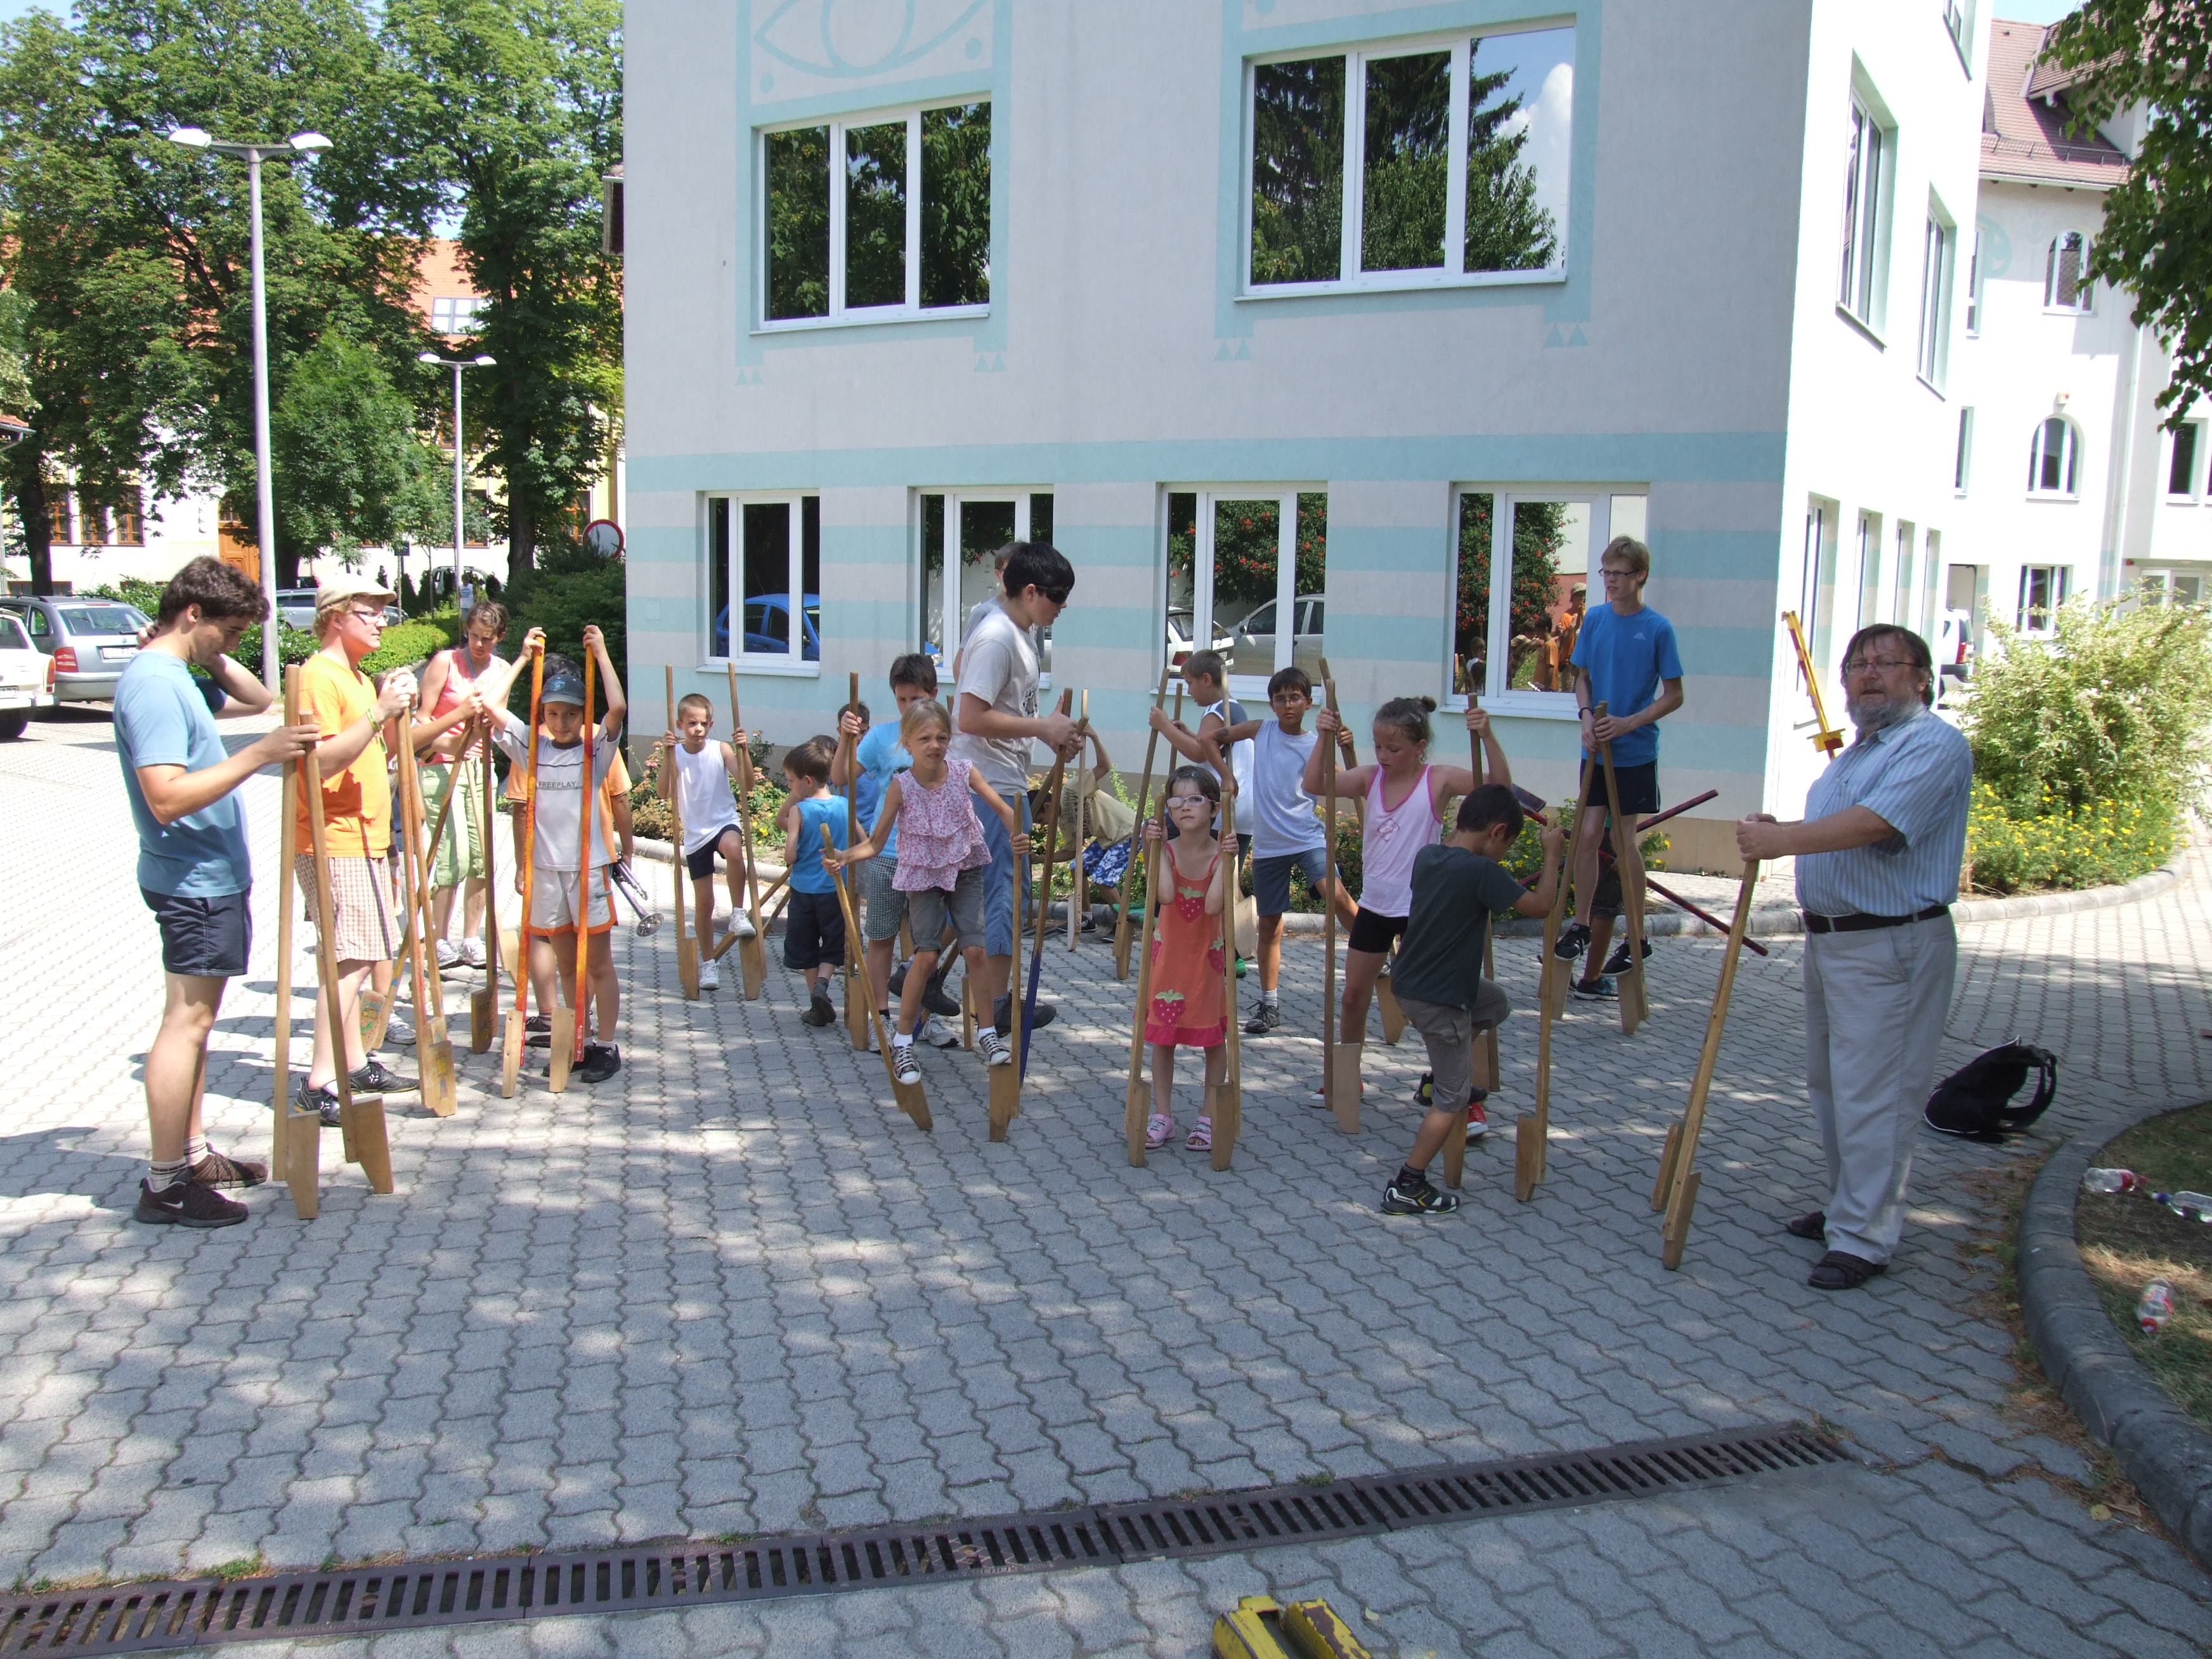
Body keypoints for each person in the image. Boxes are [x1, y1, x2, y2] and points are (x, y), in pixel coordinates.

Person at [1736, 624, 1970, 1291]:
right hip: (1835, 942)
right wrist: (1782, 833)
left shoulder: (1933, 745)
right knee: (1834, 1086)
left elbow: (1877, 825)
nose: (1868, 674)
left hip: (1890, 942)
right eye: (1857, 665)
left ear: (1920, 678)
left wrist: (1782, 842)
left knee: (1878, 1094)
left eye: (1885, 663)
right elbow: (1838, 827)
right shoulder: (1861, 750)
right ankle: (1850, 1207)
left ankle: (1865, 1237)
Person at [114, 559, 320, 1226]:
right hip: (193, 882)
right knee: (187, 1026)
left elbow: (257, 698)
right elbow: (166, 796)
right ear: (193, 614)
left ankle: (192, 1154)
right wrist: (258, 754)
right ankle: (166, 1184)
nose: (234, 646)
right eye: (229, 633)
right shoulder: (154, 685)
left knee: (196, 1027)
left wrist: (211, 654)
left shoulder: (175, 673)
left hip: (208, 877)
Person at [1308, 695, 1504, 1100]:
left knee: (1430, 1004)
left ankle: (1444, 1079)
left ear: (1419, 747)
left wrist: (1487, 736)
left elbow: (1499, 788)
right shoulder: (1370, 779)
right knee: (1353, 996)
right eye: (1378, 746)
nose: (1382, 756)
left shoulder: (1439, 779)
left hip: (1423, 910)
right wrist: (1323, 737)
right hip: (1376, 907)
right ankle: (1348, 1076)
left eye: (1393, 749)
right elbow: (1314, 785)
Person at [1382, 786, 1565, 1214]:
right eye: (1508, 844)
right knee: (1455, 1098)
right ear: (1497, 832)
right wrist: (1552, 855)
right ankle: (1408, 1184)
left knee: (1495, 1004)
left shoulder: (1429, 857)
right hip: (1440, 998)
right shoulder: (1482, 872)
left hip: (1411, 983)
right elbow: (1541, 906)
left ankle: (1437, 1077)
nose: (1505, 853)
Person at [827, 700, 1027, 1076]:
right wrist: (844, 856)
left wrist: (1019, 833)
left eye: (941, 738)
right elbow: (875, 843)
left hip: (965, 869)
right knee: (926, 957)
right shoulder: (900, 787)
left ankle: (988, 1034)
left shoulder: (964, 772)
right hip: (923, 877)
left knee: (976, 950)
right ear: (907, 744)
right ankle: (903, 1042)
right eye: (925, 739)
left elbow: (1003, 809)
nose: (934, 745)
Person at [293, 576, 424, 1121]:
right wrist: (377, 712)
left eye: (381, 612)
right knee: (346, 962)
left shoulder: (357, 677)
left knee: (363, 954)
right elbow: (318, 760)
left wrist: (399, 710)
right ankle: (319, 1081)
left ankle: (352, 1062)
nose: (380, 622)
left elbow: (385, 748)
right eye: (368, 612)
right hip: (335, 838)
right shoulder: (318, 678)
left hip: (366, 835)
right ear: (335, 617)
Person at [948, 540, 1080, 1038]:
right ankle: (996, 1006)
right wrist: (1041, 728)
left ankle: (934, 978)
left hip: (1004, 782)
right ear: (1030, 591)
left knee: (1002, 894)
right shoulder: (997, 638)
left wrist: (1048, 732)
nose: (1062, 606)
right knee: (1002, 896)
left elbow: (1005, 707)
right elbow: (969, 716)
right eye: (1057, 595)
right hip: (989, 788)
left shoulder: (1023, 634)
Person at [489, 627, 627, 1084]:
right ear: (542, 715)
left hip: (586, 871)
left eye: (571, 714)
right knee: (568, 965)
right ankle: (577, 1038)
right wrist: (522, 660)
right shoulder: (533, 748)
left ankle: (606, 1045)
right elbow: (490, 705)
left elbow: (617, 708)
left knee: (598, 964)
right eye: (553, 714)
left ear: (582, 716)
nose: (562, 722)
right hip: (548, 872)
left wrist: (601, 652)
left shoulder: (594, 752)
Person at [1554, 535, 1684, 999]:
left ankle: (1638, 936)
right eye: (1606, 573)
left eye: (1619, 574)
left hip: (1634, 750)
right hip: (1596, 746)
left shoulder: (1658, 628)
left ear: (1640, 576)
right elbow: (1582, 679)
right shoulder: (1595, 620)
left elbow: (1674, 695)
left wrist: (1630, 722)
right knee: (1588, 833)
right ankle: (1580, 923)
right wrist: (1586, 717)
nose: (1610, 581)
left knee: (1622, 838)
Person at [1202, 667, 1353, 1036]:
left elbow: (1349, 782)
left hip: (1307, 838)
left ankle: (1376, 950)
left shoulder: (1316, 743)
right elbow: (1210, 739)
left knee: (1334, 894)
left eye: (1295, 698)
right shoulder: (1261, 730)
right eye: (1280, 698)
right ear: (1271, 703)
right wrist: (1226, 774)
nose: (1288, 705)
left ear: (1308, 702)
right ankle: (1269, 1004)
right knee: (1269, 924)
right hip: (1270, 846)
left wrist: (1347, 747)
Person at [834, 655, 960, 1044]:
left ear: (933, 695)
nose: (908, 707)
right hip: (887, 854)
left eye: (916, 699)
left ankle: (920, 1015)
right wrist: (846, 739)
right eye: (901, 699)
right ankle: (882, 1019)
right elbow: (840, 777)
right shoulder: (881, 738)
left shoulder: (945, 739)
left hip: (932, 858)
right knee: (882, 937)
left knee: (926, 942)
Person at [1137, 767, 1237, 1152]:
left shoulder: (1222, 852)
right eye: (1176, 801)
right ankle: (1163, 1114)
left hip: (1206, 960)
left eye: (1195, 799)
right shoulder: (1166, 850)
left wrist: (1228, 861)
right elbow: (1164, 895)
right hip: (1169, 957)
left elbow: (1213, 905)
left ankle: (1209, 1114)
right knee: (1163, 1038)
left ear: (1214, 809)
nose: (1184, 807)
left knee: (1212, 1036)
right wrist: (1155, 851)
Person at [410, 601, 507, 970]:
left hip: (480, 768)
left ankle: (471, 939)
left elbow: (500, 722)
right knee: (454, 857)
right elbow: (420, 720)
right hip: (442, 767)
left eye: (488, 639)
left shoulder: (500, 670)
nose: (479, 645)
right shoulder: (445, 663)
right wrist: (448, 740)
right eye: (474, 636)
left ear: (499, 638)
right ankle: (437, 939)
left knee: (482, 859)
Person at [656, 692, 758, 993]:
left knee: (734, 848)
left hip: (723, 820)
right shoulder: (676, 754)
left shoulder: (720, 749)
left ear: (710, 725)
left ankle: (738, 912)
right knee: (704, 903)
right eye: (691, 723)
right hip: (696, 833)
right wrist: (666, 756)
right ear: (680, 724)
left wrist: (743, 752)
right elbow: (663, 793)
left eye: (703, 723)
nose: (698, 729)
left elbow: (747, 784)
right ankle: (708, 962)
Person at [777, 735, 850, 1027]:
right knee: (833, 942)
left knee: (805, 946)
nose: (789, 786)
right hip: (835, 890)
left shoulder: (799, 810)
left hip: (804, 891)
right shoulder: (844, 805)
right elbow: (863, 839)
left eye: (791, 780)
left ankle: (815, 999)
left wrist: (793, 850)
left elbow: (790, 855)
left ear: (807, 781)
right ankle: (823, 982)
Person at [1057, 727, 1138, 930]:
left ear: (1048, 807)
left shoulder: (1073, 789)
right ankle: (1086, 919)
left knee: (1103, 878)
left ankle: (1123, 925)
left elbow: (1105, 766)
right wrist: (1037, 859)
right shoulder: (1064, 822)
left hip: (1128, 831)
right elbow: (1070, 852)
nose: (1043, 825)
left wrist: (1094, 737)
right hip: (1108, 838)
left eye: (1041, 819)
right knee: (1077, 868)